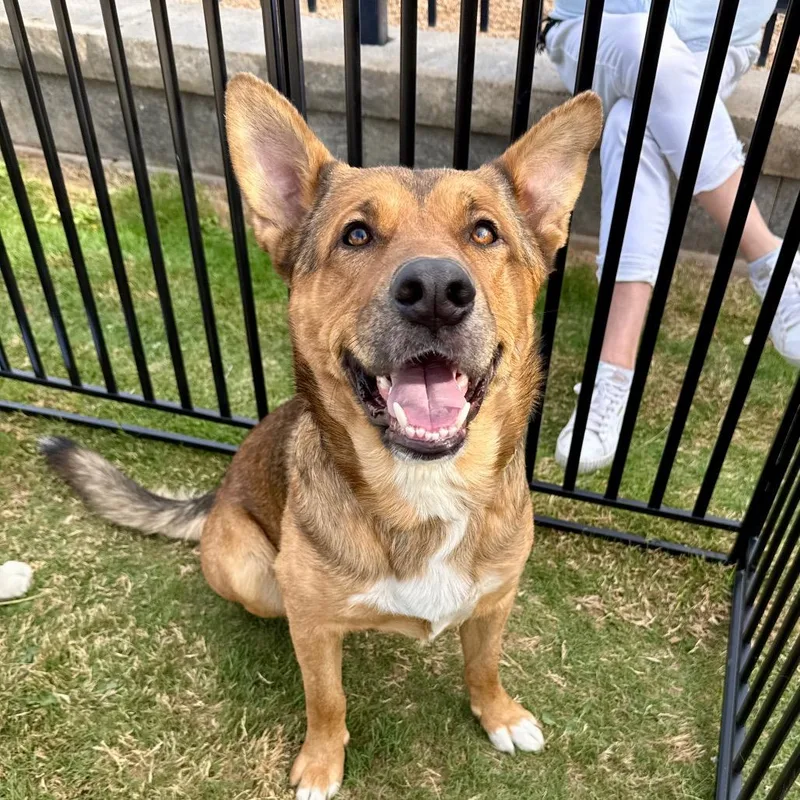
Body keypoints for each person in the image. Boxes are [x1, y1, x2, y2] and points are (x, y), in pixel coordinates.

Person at [542, 1, 799, 474]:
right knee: (645, 43)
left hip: (712, 51)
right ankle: (771, 263)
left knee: (628, 124)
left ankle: (612, 374)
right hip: (598, 31)